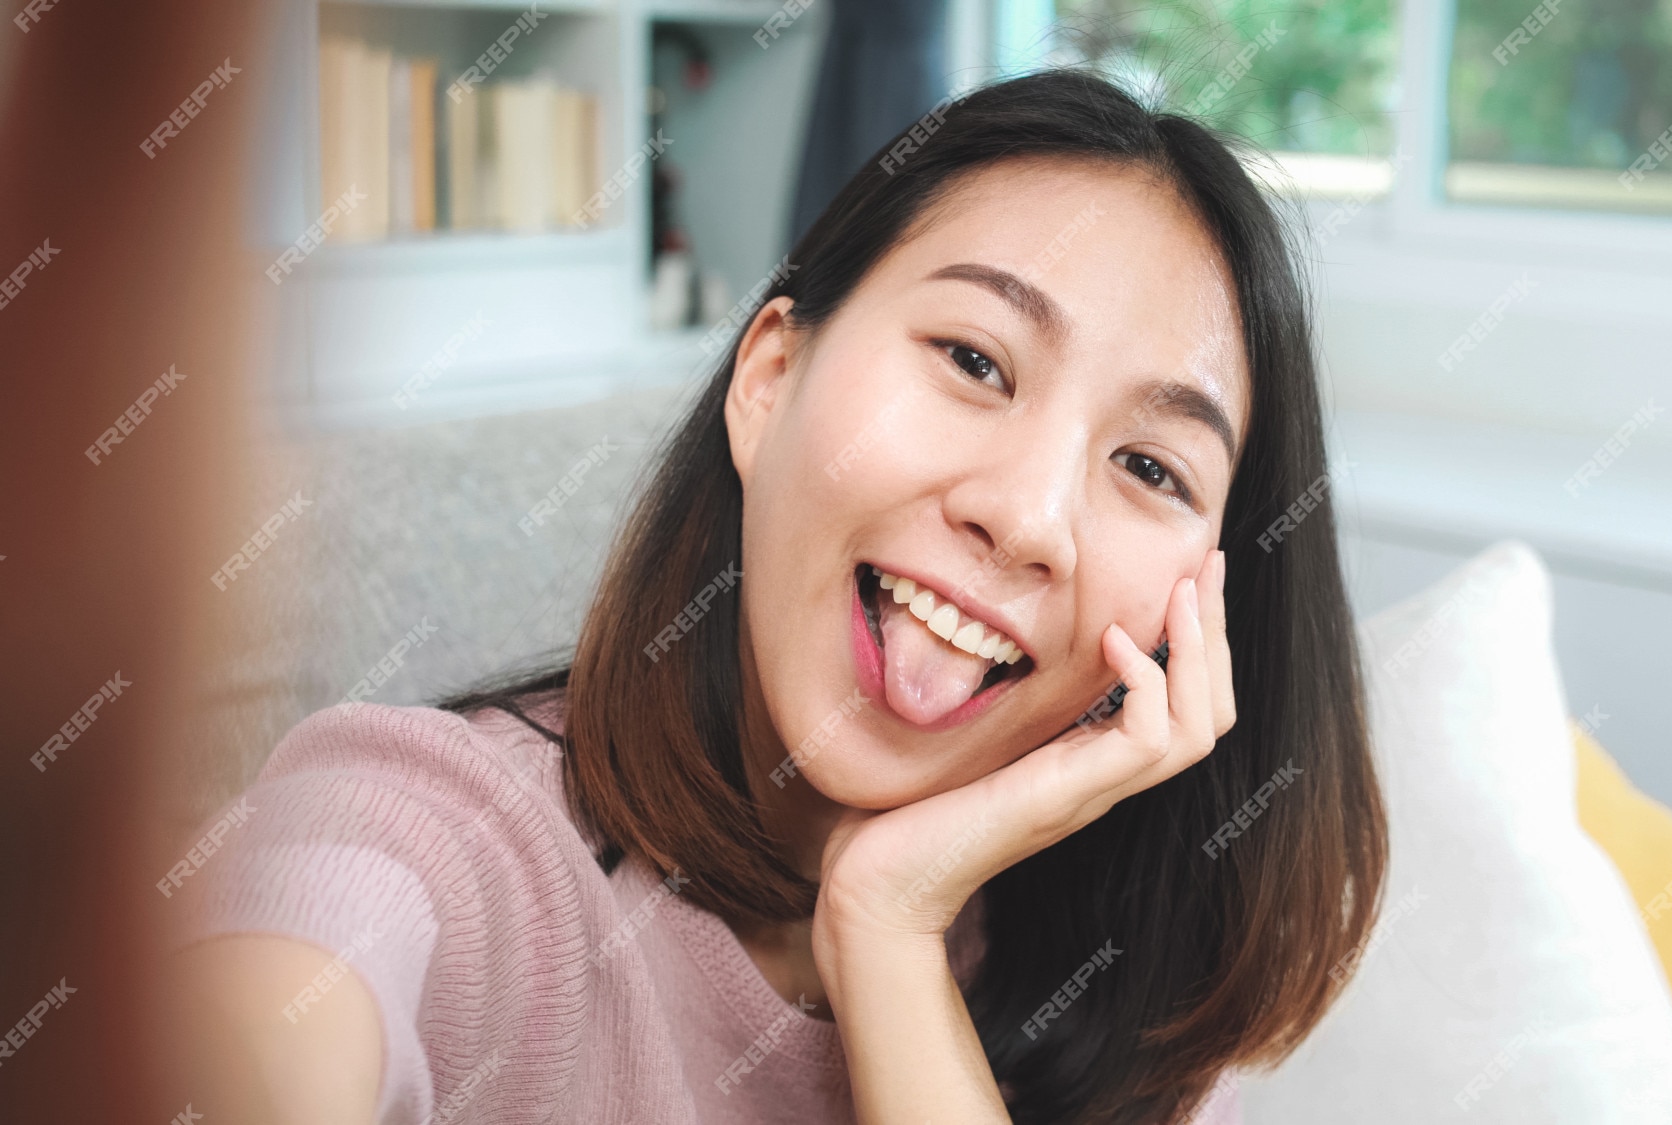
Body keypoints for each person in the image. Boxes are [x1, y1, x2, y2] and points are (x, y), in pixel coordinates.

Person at [167, 69, 1386, 1124]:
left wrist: (889, 935)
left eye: (1147, 468)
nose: (1026, 518)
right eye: (973, 361)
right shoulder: (436, 842)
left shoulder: (1133, 995)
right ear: (768, 378)